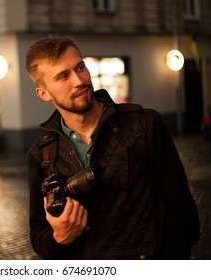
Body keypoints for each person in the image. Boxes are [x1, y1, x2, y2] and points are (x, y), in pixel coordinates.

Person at [26, 35, 200, 260]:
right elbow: (38, 233)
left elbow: (182, 216)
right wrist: (59, 238)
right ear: (44, 94)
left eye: (80, 67)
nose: (79, 81)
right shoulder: (41, 153)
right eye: (63, 76)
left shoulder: (143, 126)